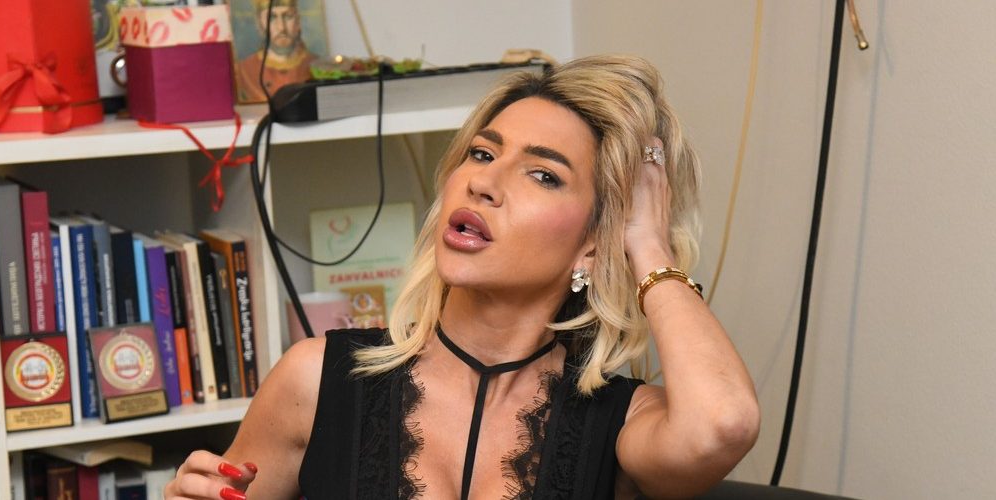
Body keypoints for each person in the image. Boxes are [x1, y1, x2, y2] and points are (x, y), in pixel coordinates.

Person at [166, 54, 760, 499]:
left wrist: (647, 246)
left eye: (543, 175)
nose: (484, 182)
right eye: (482, 153)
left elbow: (724, 424)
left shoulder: (624, 421)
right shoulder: (316, 380)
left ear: (593, 245)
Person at [235, 0, 314, 103]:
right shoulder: (244, 72)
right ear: (259, 23)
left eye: (288, 16)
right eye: (271, 18)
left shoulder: (315, 66)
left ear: (298, 21)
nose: (281, 28)